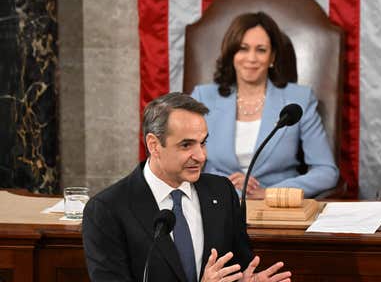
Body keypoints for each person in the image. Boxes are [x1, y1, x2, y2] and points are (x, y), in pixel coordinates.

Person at [82, 92, 291, 282]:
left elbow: (239, 267)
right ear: (154, 145)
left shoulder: (222, 192)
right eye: (186, 145)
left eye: (203, 143)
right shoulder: (106, 210)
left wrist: (247, 280)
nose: (201, 156)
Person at [191, 12, 339, 199]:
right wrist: (221, 185)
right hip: (215, 203)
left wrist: (270, 193)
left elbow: (326, 171)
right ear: (232, 54)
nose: (251, 58)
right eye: (243, 48)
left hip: (274, 209)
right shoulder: (203, 97)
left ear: (272, 57)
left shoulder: (299, 99)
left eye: (261, 50)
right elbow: (182, 160)